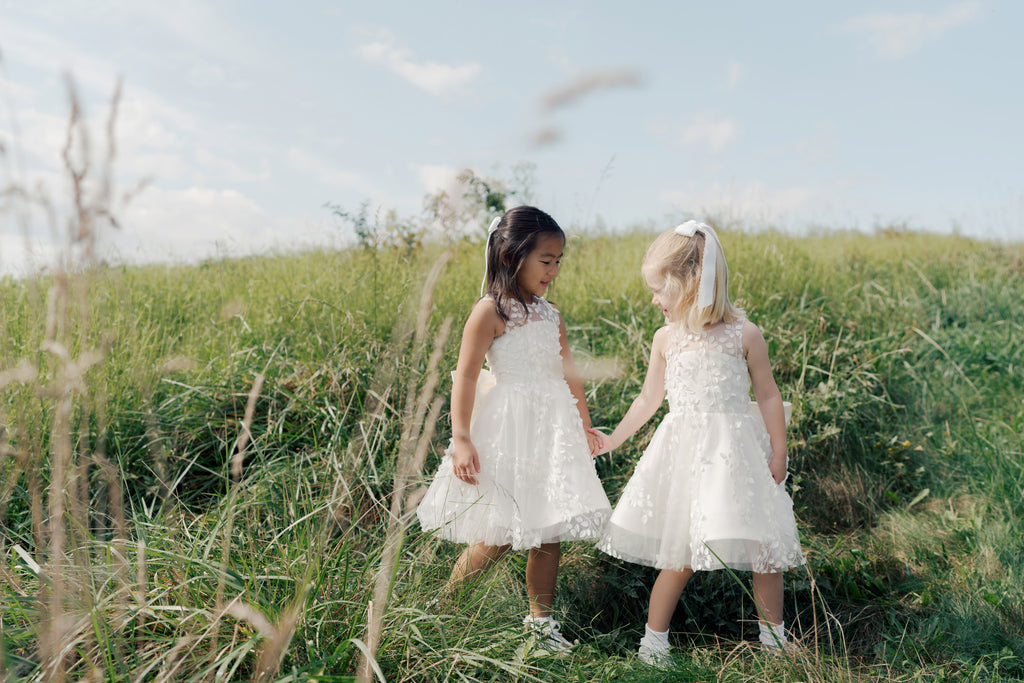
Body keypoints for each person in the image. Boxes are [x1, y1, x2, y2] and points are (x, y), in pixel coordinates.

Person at [589, 220, 804, 664]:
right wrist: (614, 439)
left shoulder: (744, 334)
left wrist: (779, 451)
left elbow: (767, 394)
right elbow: (650, 398)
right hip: (686, 454)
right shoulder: (665, 339)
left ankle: (774, 640)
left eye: (658, 290)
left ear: (689, 283)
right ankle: (653, 642)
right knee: (681, 550)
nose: (653, 300)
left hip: (737, 454)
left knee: (764, 547)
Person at [417, 206, 611, 651]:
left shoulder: (550, 315)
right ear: (510, 255)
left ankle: (541, 627)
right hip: (510, 429)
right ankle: (443, 610)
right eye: (546, 260)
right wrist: (462, 437)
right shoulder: (490, 311)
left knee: (550, 530)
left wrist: (583, 424)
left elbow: (569, 373)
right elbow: (465, 376)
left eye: (559, 261)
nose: (554, 270)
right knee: (499, 533)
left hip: (553, 429)